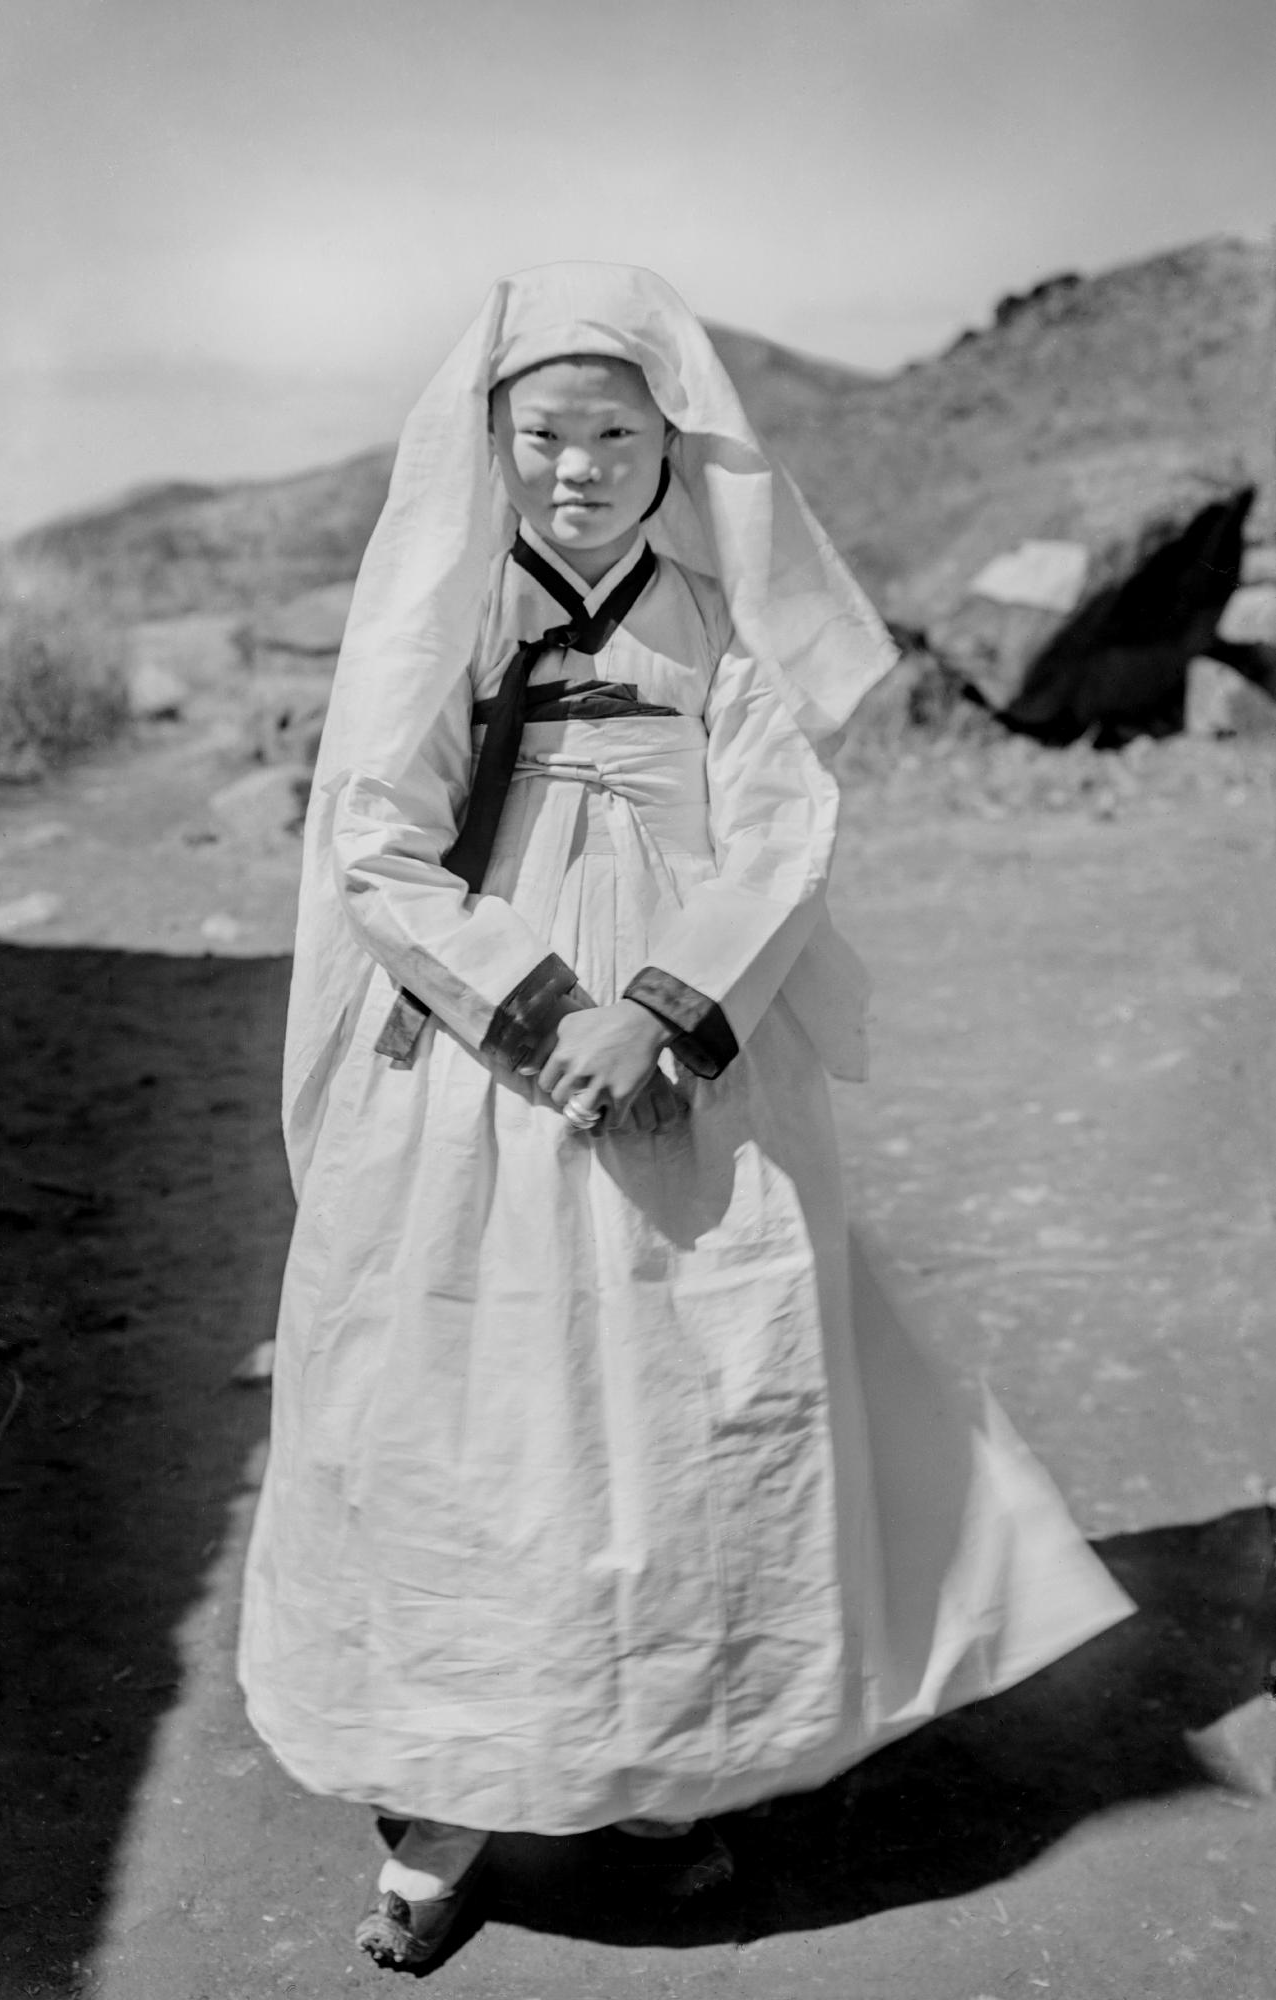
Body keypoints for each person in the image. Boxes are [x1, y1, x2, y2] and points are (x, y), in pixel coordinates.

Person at [238, 262, 1133, 1971]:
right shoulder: (444, 617)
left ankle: (661, 1761)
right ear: (492, 448)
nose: (576, 468)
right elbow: (377, 845)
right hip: (481, 1057)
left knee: (680, 1398)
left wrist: (653, 1010)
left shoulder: (721, 625)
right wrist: (541, 1008)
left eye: (612, 435)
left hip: (686, 1054)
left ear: (673, 445)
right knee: (471, 1414)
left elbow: (781, 830)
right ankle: (449, 1800)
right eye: (541, 439)